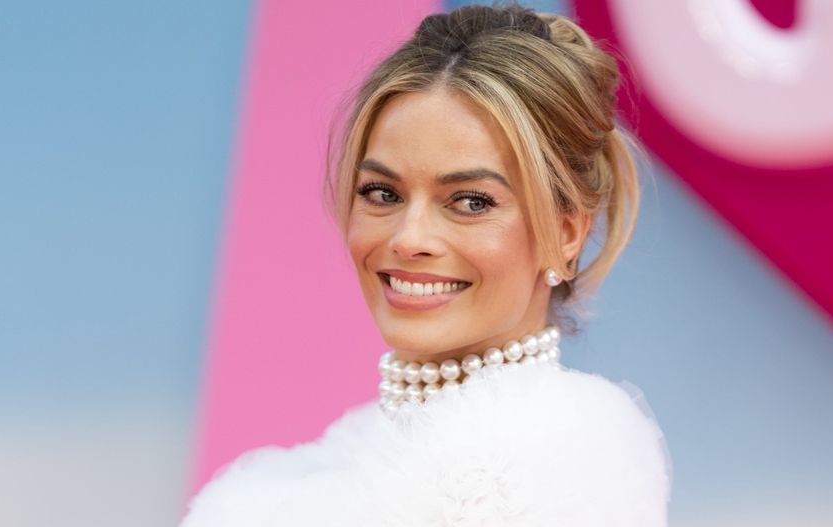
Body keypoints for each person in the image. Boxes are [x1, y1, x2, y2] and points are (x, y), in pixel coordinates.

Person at [179, 4, 670, 526]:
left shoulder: (555, 480)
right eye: (382, 193)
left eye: (471, 201)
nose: (409, 238)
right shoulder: (309, 474)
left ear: (566, 233)